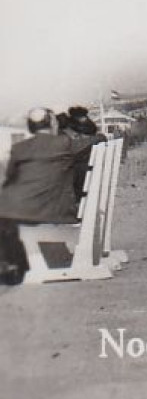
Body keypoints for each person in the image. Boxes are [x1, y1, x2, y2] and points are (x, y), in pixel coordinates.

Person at [0, 108, 106, 284]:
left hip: (15, 209)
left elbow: (11, 178)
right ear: (52, 124)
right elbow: (96, 139)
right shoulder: (65, 144)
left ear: (30, 127)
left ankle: (8, 262)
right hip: (54, 211)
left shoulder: (19, 148)